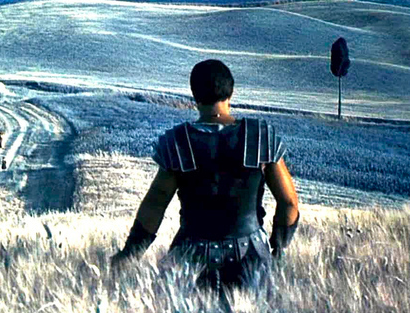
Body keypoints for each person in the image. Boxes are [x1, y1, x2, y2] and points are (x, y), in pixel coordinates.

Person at [110, 60, 300, 291]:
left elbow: (156, 203)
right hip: (252, 258)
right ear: (231, 92)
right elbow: (289, 203)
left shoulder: (179, 142)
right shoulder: (259, 136)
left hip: (189, 260)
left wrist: (130, 253)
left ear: (195, 96)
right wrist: (278, 251)